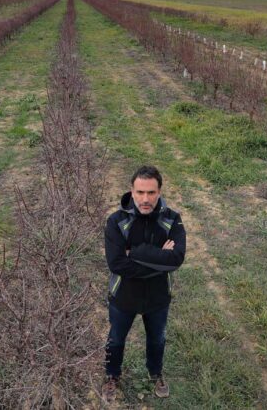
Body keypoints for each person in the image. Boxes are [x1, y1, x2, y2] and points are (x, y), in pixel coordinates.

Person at [102, 165, 186, 402]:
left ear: (159, 192)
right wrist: (159, 258)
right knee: (116, 339)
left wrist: (135, 253)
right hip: (124, 295)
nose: (145, 199)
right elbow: (117, 264)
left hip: (158, 297)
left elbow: (176, 259)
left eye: (151, 193)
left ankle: (155, 372)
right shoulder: (116, 221)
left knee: (157, 339)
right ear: (132, 190)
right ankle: (111, 375)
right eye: (140, 192)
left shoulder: (172, 220)